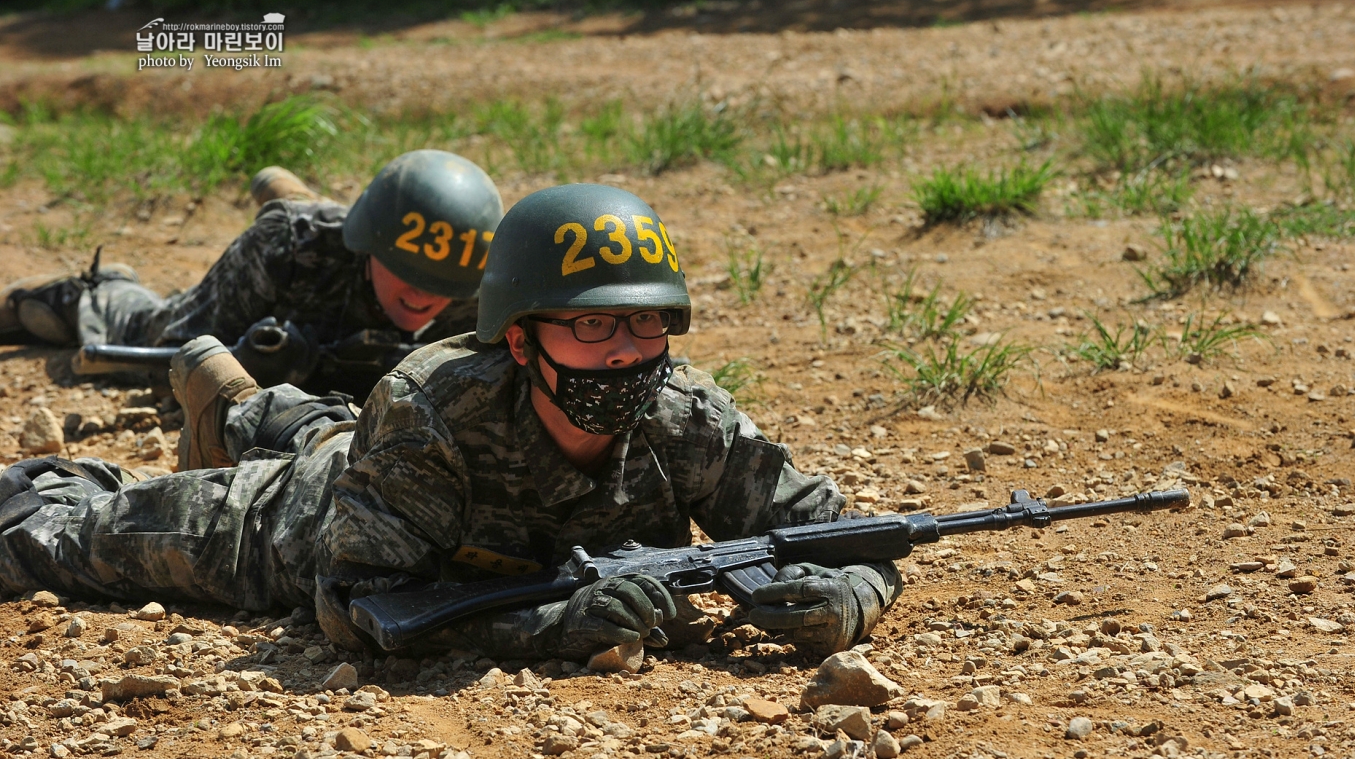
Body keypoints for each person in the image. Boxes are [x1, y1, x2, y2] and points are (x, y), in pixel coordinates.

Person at [0, 184, 902, 664]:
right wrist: (555, 625)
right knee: (49, 540)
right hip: (303, 525)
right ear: (519, 338)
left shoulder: (687, 417)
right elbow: (357, 602)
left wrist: (848, 599)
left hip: (383, 465)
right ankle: (217, 414)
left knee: (322, 426)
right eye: (591, 324)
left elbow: (848, 537)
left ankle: (241, 408)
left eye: (647, 321)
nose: (628, 350)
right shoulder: (431, 405)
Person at [0, 149, 503, 401]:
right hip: (292, 261)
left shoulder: (483, 290)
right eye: (403, 268)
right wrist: (242, 367)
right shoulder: (286, 246)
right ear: (370, 244)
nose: (422, 292)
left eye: (442, 284)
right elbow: (178, 354)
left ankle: (305, 200)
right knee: (151, 333)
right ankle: (94, 290)